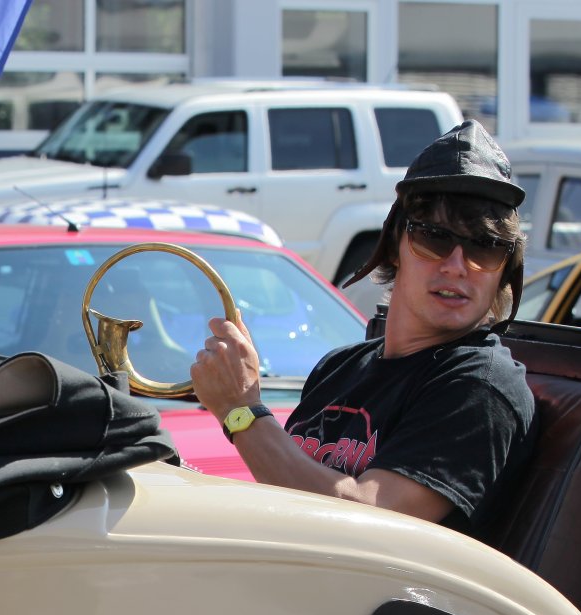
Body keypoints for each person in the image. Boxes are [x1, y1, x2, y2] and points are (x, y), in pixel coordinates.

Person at [189, 120, 535, 533]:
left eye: (486, 248)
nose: (458, 266)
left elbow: (370, 522)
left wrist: (241, 412)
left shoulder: (480, 385)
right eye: (435, 238)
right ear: (394, 246)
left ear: (505, 268)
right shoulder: (339, 368)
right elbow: (286, 505)